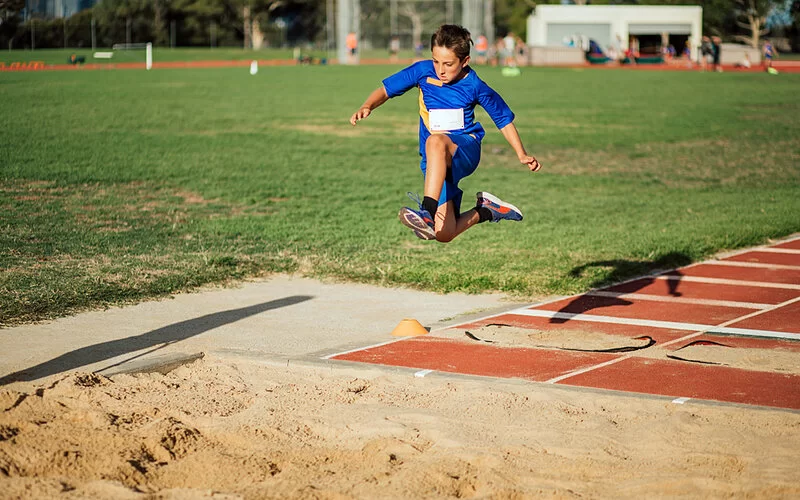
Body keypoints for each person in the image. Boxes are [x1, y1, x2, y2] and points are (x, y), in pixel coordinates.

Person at [349, 24, 542, 243]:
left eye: (448, 64)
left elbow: (503, 119)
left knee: (436, 140)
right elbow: (385, 90)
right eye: (436, 61)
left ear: (465, 62)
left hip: (465, 150)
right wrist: (368, 106)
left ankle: (427, 211)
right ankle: (488, 210)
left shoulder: (475, 85)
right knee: (444, 233)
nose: (440, 69)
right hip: (435, 162)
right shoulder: (422, 71)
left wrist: (521, 154)